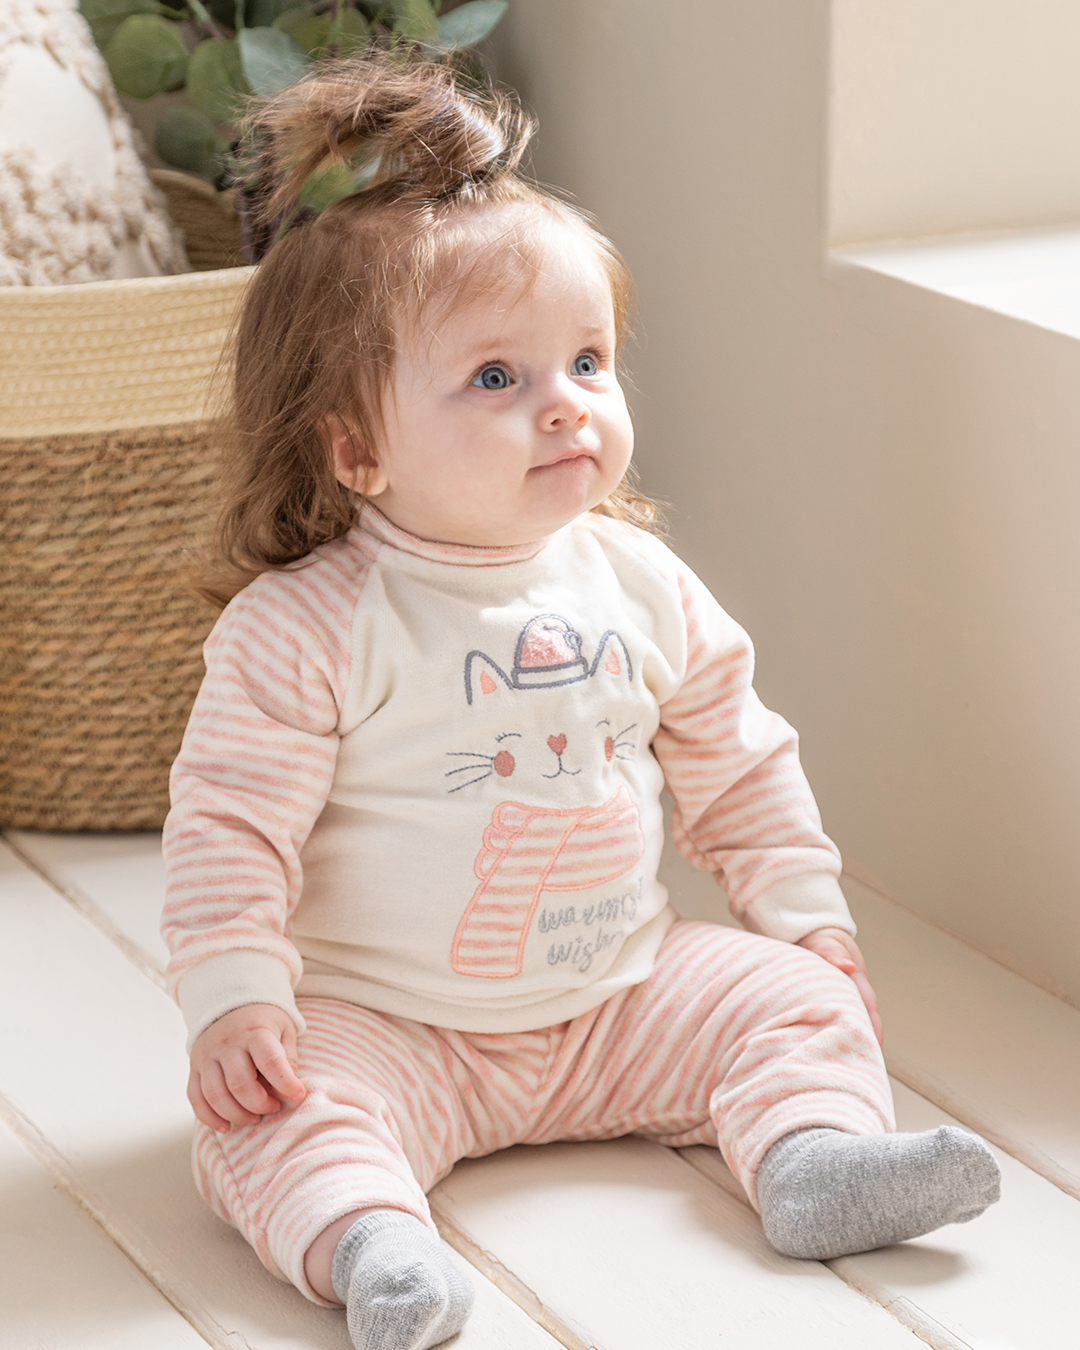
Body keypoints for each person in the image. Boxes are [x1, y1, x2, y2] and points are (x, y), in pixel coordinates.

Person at [161, 54, 1000, 1350]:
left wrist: (804, 917)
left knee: (798, 1000)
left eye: (589, 362)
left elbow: (737, 758)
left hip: (623, 992)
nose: (566, 406)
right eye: (496, 379)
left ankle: (812, 1158)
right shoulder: (309, 626)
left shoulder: (640, 581)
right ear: (355, 446)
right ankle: (373, 1243)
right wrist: (234, 995)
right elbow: (230, 827)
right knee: (262, 1114)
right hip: (394, 1024)